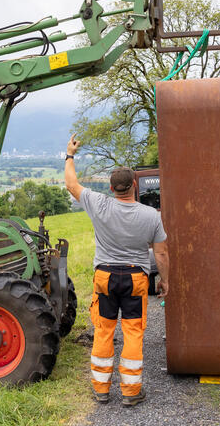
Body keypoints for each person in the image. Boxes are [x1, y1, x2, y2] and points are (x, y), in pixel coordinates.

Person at [63, 134, 168, 408]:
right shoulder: (151, 216)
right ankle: (131, 393)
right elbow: (161, 253)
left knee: (104, 330)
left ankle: (101, 390)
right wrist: (165, 282)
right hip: (135, 278)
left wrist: (70, 154)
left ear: (111, 188)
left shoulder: (99, 204)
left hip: (105, 277)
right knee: (133, 333)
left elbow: (71, 185)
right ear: (134, 185)